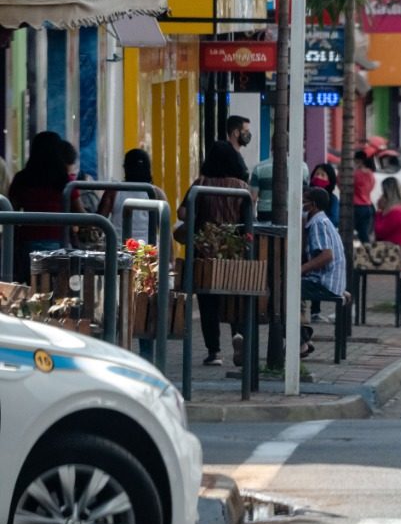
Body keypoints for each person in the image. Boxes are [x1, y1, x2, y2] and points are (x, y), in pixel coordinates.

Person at [179, 140, 250, 367]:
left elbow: (182, 213)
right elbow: (248, 221)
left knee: (208, 300)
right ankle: (238, 335)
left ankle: (214, 351)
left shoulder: (201, 184)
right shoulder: (242, 188)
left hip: (204, 251)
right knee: (234, 296)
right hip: (233, 250)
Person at [7, 132, 80, 283]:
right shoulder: (64, 180)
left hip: (28, 240)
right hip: (59, 241)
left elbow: (10, 211)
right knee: (58, 288)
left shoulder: (22, 178)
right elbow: (80, 211)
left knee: (30, 284)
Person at [301, 186, 348, 359]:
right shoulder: (321, 222)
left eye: (303, 201)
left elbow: (326, 256)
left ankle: (300, 342)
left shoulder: (318, 224)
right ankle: (303, 338)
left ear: (312, 205)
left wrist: (300, 270)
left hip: (324, 283)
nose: (301, 205)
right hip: (331, 281)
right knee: (293, 291)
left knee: (284, 292)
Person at [99, 149, 163, 242]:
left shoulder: (113, 191)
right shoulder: (156, 193)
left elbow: (99, 222)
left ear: (125, 168)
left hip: (118, 250)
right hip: (146, 251)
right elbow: (165, 229)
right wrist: (170, 256)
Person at [374, 177, 401, 277]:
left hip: (398, 258)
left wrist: (379, 213)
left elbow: (380, 232)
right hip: (398, 256)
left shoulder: (396, 213)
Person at [250, 157, 311, 222]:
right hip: (293, 215)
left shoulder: (259, 168)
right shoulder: (303, 167)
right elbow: (305, 194)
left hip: (265, 216)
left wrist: (253, 220)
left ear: (271, 147)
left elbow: (253, 198)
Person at [353, 151, 376, 244]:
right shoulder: (370, 174)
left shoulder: (357, 174)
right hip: (368, 206)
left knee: (359, 234)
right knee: (364, 234)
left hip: (357, 206)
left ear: (359, 161)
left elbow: (342, 184)